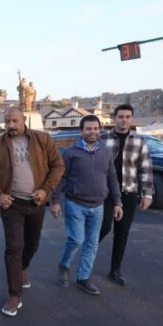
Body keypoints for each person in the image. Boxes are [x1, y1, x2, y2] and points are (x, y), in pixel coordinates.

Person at [0, 106, 64, 316]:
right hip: (11, 205)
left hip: (36, 203)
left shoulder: (42, 139)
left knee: (32, 244)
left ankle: (22, 268)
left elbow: (58, 166)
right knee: (13, 248)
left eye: (14, 121)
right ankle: (14, 294)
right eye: (7, 121)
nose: (10, 125)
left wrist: (46, 191)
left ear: (24, 119)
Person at [51, 115, 122, 296]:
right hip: (75, 204)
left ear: (100, 130)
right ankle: (64, 264)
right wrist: (55, 201)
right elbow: (60, 178)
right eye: (88, 128)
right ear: (81, 131)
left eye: (96, 128)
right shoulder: (71, 153)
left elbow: (112, 178)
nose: (92, 132)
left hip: (98, 206)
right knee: (76, 240)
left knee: (92, 244)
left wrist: (117, 202)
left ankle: (83, 279)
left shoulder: (105, 151)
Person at [98, 104, 154, 287]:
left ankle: (115, 271)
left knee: (122, 233)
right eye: (120, 116)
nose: (124, 120)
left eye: (127, 117)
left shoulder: (139, 141)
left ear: (132, 119)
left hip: (128, 192)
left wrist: (148, 194)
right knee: (103, 228)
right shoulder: (102, 139)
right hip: (105, 193)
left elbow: (145, 169)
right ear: (114, 118)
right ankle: (86, 258)